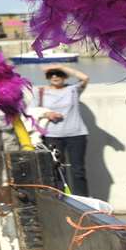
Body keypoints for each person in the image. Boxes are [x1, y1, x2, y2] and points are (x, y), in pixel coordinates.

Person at [31, 66, 92, 197]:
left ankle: (83, 201)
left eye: (58, 74)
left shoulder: (73, 90)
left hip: (76, 135)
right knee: (57, 170)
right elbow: (30, 111)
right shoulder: (40, 92)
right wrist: (47, 113)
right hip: (52, 136)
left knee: (78, 171)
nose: (55, 76)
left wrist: (59, 66)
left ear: (65, 76)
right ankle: (61, 199)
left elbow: (85, 78)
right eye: (51, 74)